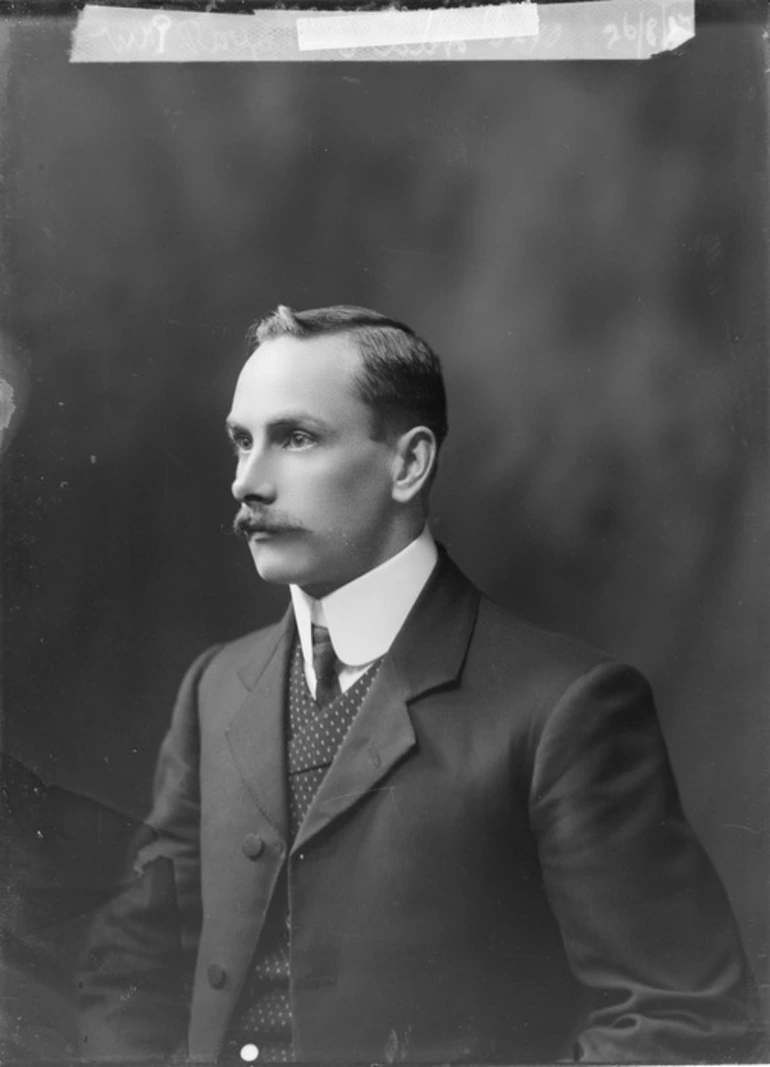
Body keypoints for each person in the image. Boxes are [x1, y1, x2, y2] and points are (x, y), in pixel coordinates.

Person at [78, 305, 760, 1064]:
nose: (248, 481)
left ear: (409, 464)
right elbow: (130, 967)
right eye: (242, 441)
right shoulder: (217, 684)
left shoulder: (565, 706)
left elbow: (689, 1021)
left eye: (295, 438)